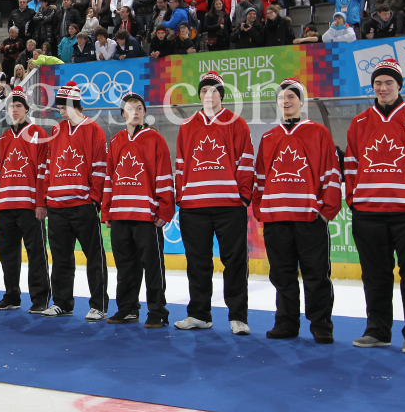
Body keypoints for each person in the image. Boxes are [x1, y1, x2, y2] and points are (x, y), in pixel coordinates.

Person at [344, 60, 405, 354]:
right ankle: (377, 330)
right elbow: (350, 166)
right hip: (368, 214)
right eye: (378, 83)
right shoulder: (360, 122)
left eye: (388, 83)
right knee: (374, 275)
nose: (383, 88)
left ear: (399, 86)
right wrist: (354, 200)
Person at [252, 79, 341, 343]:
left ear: (301, 102)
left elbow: (332, 174)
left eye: (291, 96)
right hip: (277, 218)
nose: (286, 101)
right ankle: (286, 322)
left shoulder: (318, 133)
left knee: (316, 274)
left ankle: (321, 324)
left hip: (309, 218)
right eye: (282, 98)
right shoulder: (269, 137)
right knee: (282, 274)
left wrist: (326, 211)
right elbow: (259, 178)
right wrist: (261, 210)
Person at [174, 72, 254, 336]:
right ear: (199, 95)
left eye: (214, 90)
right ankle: (199, 314)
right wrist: (181, 197)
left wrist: (242, 196)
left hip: (229, 206)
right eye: (204, 90)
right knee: (198, 262)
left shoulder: (237, 123)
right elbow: (181, 165)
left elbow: (246, 161)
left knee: (235, 262)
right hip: (194, 207)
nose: (209, 95)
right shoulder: (186, 125)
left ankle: (238, 317)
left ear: (222, 95)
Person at [101, 92, 174, 327]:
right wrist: (107, 209)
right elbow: (109, 178)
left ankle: (157, 312)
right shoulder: (115, 141)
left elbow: (164, 176)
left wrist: (164, 211)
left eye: (139, 107)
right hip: (121, 214)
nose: (135, 110)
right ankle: (128, 308)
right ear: (122, 113)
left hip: (146, 216)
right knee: (125, 266)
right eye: (130, 107)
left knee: (153, 266)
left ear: (144, 113)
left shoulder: (155, 139)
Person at [41, 82, 108, 321]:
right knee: (60, 258)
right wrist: (47, 196)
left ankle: (98, 304)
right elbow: (49, 165)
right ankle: (62, 302)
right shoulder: (57, 130)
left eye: (62, 106)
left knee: (94, 256)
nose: (59, 111)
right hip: (57, 206)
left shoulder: (94, 130)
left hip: (82, 206)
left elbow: (100, 168)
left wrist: (94, 199)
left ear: (73, 104)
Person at [0, 88, 50, 313]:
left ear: (26, 109)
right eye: (10, 107)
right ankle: (12, 295)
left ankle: (40, 298)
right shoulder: (2, 138)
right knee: (7, 255)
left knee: (36, 253)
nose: (14, 110)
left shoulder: (38, 133)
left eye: (18, 106)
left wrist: (41, 202)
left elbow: (44, 171)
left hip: (29, 206)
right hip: (5, 206)